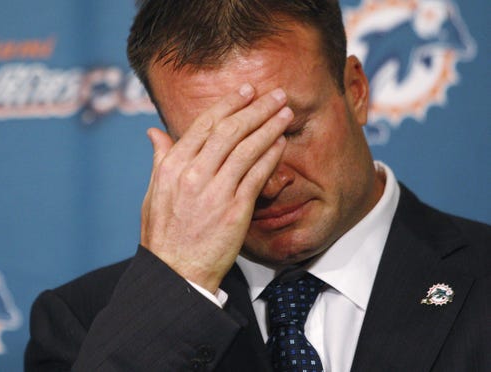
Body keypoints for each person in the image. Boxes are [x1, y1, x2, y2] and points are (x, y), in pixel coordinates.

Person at [24, 1, 490, 371]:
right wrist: (174, 292)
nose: (268, 182)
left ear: (355, 90)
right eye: (224, 147)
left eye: (289, 130)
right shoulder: (83, 322)